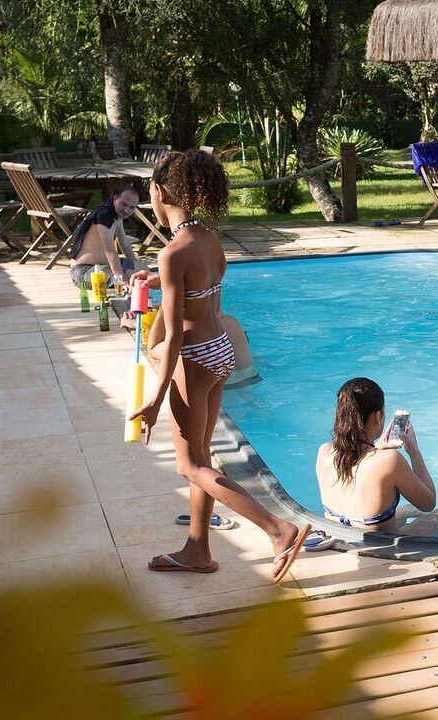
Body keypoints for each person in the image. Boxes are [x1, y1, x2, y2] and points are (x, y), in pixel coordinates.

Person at [129, 149, 308, 582]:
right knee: (203, 458)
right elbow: (205, 290)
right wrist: (159, 282)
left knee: (189, 465)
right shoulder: (208, 239)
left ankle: (278, 529)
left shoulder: (173, 253)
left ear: (161, 191)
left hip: (192, 358)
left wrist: (154, 399)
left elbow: (171, 337)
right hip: (220, 352)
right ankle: (197, 549)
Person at [316, 378, 438, 534]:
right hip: (378, 543)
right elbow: (428, 503)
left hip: (342, 533)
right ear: (377, 417)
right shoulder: (390, 460)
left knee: (408, 510)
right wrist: (414, 451)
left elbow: (360, 468)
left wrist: (374, 448)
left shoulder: (325, 452)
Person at [148, 306, 256, 385]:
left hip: (210, 395)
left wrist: (164, 307)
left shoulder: (187, 337)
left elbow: (153, 349)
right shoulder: (231, 324)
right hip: (245, 388)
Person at [68, 186, 142, 289]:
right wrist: (121, 280)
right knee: (130, 276)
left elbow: (124, 244)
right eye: (124, 204)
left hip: (103, 266)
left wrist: (135, 262)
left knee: (142, 270)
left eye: (131, 207)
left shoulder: (117, 214)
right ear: (115, 198)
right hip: (84, 271)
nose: (126, 210)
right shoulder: (104, 215)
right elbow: (110, 251)